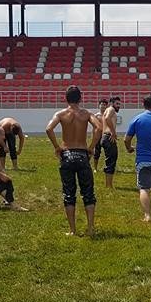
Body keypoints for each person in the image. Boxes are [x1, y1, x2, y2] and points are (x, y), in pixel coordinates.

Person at [45, 86, 101, 236]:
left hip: (67, 154)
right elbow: (99, 128)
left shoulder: (61, 114)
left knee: (69, 193)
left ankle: (72, 230)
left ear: (66, 98)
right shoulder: (86, 114)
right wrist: (91, 147)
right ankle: (90, 228)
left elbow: (49, 129)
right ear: (80, 98)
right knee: (88, 192)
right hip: (82, 153)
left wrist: (57, 147)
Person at [99, 96, 122, 188]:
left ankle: (109, 184)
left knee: (111, 160)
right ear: (112, 103)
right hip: (108, 137)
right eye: (117, 104)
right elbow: (108, 118)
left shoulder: (108, 110)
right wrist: (113, 132)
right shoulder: (111, 109)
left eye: (119, 104)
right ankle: (109, 185)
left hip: (106, 137)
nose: (119, 106)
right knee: (111, 161)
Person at [92, 98, 109, 169]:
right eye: (102, 104)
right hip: (98, 136)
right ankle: (95, 168)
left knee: (107, 153)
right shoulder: (96, 116)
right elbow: (94, 127)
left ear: (106, 106)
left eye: (104, 105)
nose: (103, 106)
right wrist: (94, 136)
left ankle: (107, 167)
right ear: (99, 105)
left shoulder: (108, 115)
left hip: (106, 136)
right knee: (97, 153)